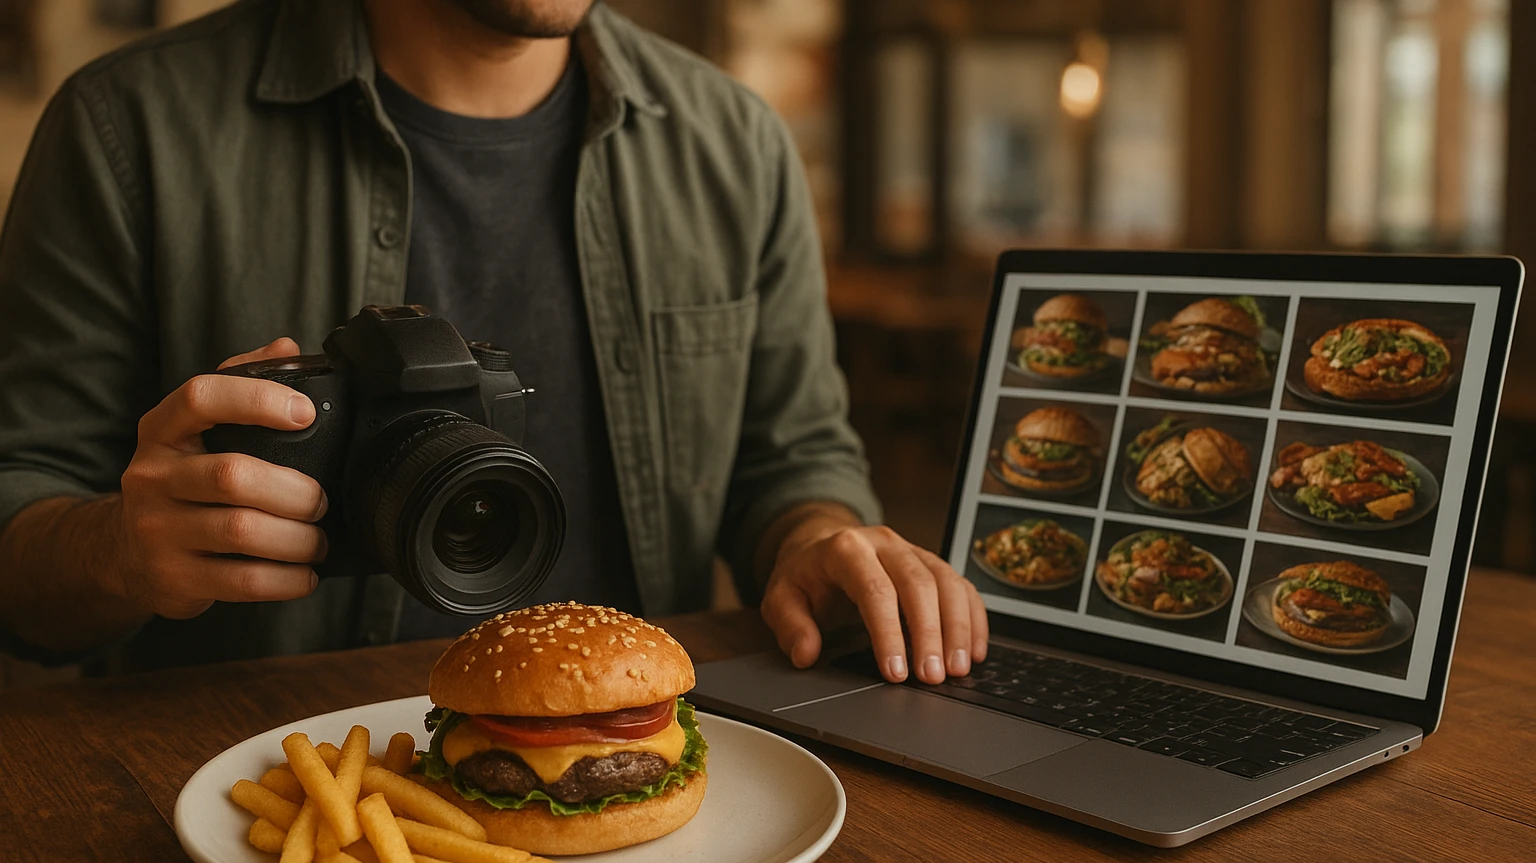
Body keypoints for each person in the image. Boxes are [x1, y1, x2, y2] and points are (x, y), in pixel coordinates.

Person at [0, 0, 986, 685]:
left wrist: (818, 541)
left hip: (638, 773)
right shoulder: (128, 131)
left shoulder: (735, 145)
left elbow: (791, 458)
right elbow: (20, 534)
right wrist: (118, 552)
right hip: (275, 813)